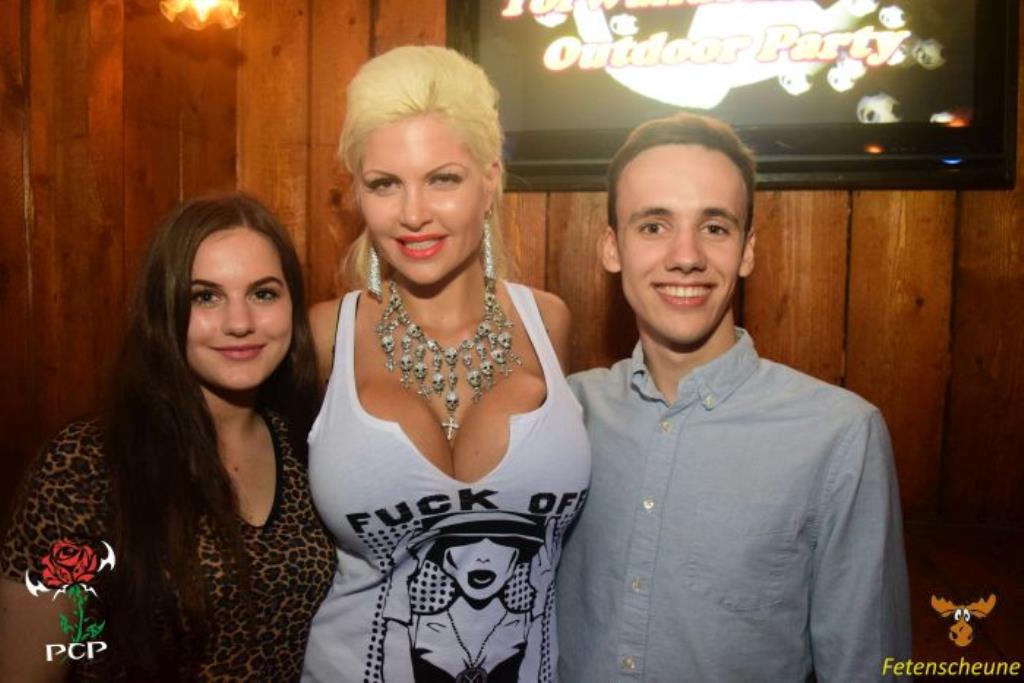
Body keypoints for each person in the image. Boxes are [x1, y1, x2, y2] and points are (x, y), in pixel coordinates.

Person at [557, 113, 912, 682]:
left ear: (747, 251)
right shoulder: (565, 414)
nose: (686, 255)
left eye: (715, 228)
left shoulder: (839, 434)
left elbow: (867, 665)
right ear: (611, 247)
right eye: (654, 225)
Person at [301, 45, 590, 683]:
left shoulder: (549, 323)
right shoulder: (322, 336)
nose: (413, 214)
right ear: (358, 193)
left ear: (489, 181)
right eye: (385, 184)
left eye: (443, 179)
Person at [0, 193, 335, 681]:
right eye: (205, 297)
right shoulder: (86, 464)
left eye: (263, 294)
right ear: (163, 308)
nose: (239, 323)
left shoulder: (309, 446)